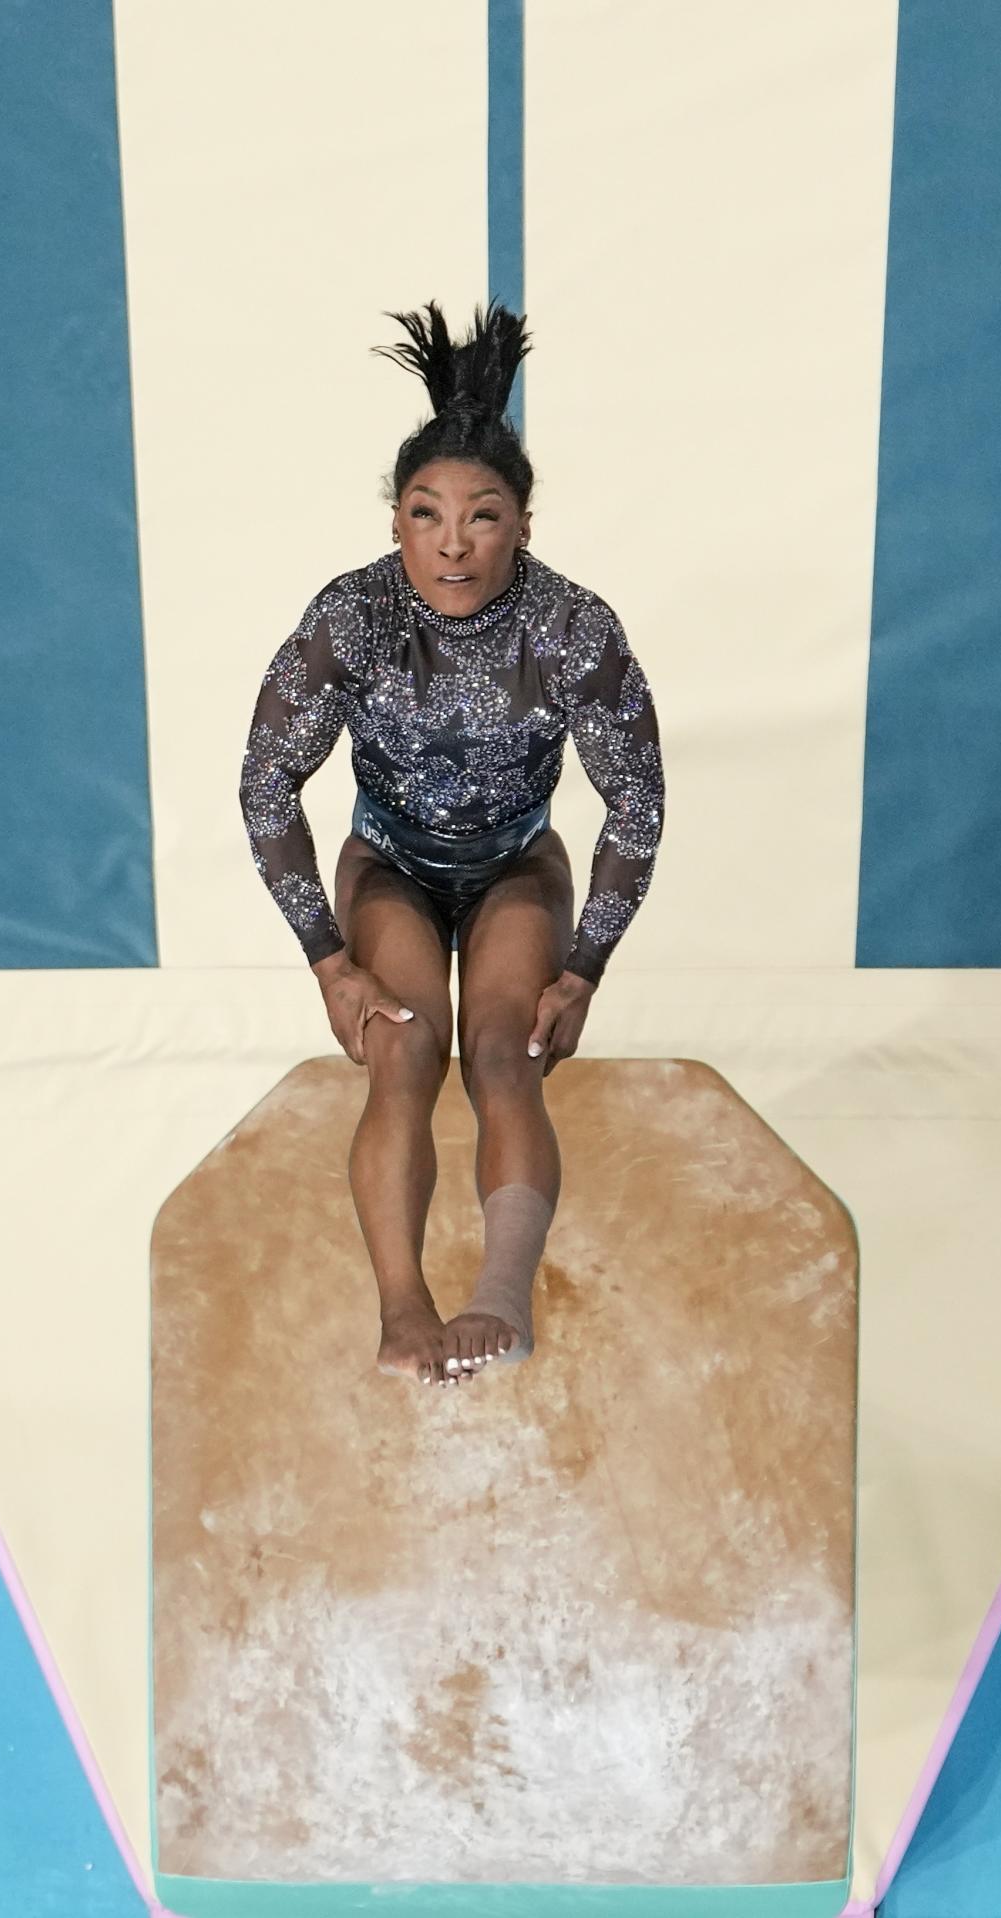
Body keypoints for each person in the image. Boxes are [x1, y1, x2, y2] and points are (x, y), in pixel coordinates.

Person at [238, 301, 665, 1387]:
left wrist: (580, 973)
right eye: (426, 515)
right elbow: (264, 787)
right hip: (390, 866)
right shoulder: (351, 619)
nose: (452, 543)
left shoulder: (571, 628)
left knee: (502, 1056)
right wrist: (329, 964)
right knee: (402, 1049)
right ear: (395, 522)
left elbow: (637, 803)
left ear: (522, 522)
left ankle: (500, 1294)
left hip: (517, 864)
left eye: (482, 516)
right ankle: (401, 1309)